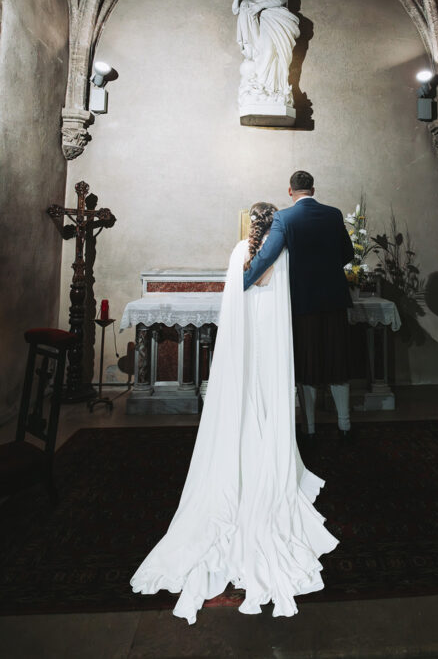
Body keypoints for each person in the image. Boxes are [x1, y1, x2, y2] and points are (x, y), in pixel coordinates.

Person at [130, 202, 338, 622]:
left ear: (249, 224)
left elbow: (237, 294)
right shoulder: (281, 255)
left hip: (243, 351)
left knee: (240, 407)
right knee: (265, 399)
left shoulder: (238, 251)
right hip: (269, 350)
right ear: (274, 226)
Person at [244, 171, 355, 439]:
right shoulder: (334, 214)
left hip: (303, 301)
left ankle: (310, 428)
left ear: (290, 191)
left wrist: (243, 281)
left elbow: (268, 256)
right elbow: (348, 253)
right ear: (313, 190)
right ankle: (344, 424)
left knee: (308, 364)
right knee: (336, 362)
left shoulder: (285, 217)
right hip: (335, 298)